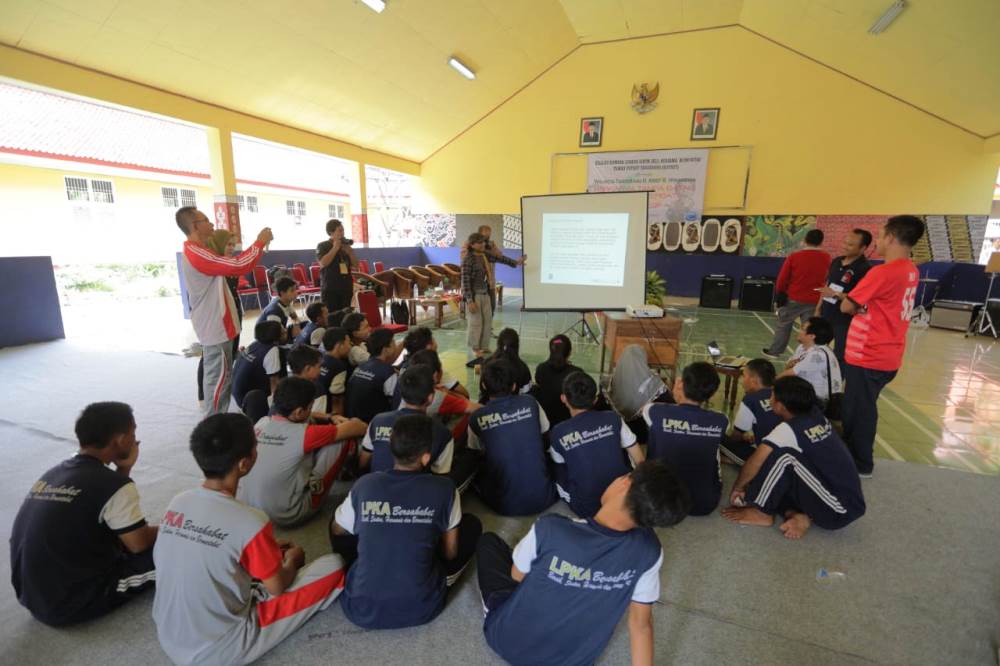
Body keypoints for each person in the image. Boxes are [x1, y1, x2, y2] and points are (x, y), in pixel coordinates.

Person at [153, 413, 346, 665]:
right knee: (335, 566)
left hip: (168, 634)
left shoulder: (178, 502)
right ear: (244, 464)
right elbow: (276, 586)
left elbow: (212, 548)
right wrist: (293, 561)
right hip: (218, 648)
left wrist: (262, 551)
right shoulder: (250, 520)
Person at [476, 460, 691, 666]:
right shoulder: (650, 552)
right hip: (572, 662)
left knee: (489, 543)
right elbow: (641, 625)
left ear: (626, 483)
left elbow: (516, 576)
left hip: (505, 641)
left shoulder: (550, 528)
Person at [10, 402, 157, 627]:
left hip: (30, 594)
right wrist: (171, 527)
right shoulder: (113, 485)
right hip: (67, 604)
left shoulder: (55, 472)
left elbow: (103, 505)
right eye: (133, 432)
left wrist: (124, 470)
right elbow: (139, 543)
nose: (135, 439)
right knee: (176, 547)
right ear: (119, 439)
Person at [330, 414, 482, 629]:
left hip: (360, 606)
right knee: (472, 525)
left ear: (391, 448)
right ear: (426, 457)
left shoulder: (365, 485)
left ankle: (362, 564)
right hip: (421, 607)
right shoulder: (445, 489)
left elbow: (338, 530)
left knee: (338, 520)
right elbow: (450, 553)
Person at [722, 376, 866, 539]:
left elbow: (756, 460)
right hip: (838, 496)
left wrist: (739, 488)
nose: (769, 399)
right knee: (773, 474)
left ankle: (761, 512)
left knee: (784, 459)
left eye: (772, 396)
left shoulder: (790, 429)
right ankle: (797, 515)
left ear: (781, 406)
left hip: (838, 510)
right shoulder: (815, 414)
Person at [839, 215, 925, 477]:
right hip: (889, 353)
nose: (877, 240)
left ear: (890, 237)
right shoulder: (911, 269)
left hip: (869, 354)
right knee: (859, 407)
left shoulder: (882, 272)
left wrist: (857, 303)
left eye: (879, 235)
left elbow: (846, 306)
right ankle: (854, 456)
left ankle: (861, 463)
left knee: (859, 412)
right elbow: (882, 304)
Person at [177, 206, 272, 414]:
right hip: (214, 325)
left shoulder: (201, 250)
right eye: (206, 220)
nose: (211, 224)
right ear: (195, 226)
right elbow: (238, 265)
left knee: (223, 377)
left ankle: (218, 421)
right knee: (217, 381)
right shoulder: (196, 252)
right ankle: (213, 427)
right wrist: (259, 242)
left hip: (220, 323)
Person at [237, 377, 365, 527]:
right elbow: (360, 427)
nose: (312, 411)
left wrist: (328, 416)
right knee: (343, 439)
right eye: (310, 407)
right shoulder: (303, 433)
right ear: (298, 411)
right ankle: (340, 480)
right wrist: (347, 421)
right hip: (288, 514)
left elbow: (305, 419)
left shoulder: (262, 423)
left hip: (250, 509)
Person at [360, 364, 480, 493]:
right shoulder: (442, 433)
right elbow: (440, 478)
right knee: (472, 459)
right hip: (418, 497)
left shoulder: (378, 420)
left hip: (376, 490)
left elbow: (363, 461)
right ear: (431, 398)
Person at [550, 371, 645, 517]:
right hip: (624, 499)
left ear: (564, 399)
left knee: (557, 469)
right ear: (595, 400)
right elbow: (639, 458)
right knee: (623, 451)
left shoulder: (558, 432)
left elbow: (562, 468)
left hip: (586, 508)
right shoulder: (613, 418)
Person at [469, 359, 556, 516]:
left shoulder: (476, 418)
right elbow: (546, 435)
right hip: (545, 498)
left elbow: (475, 453)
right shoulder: (530, 403)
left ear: (483, 386)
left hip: (506, 506)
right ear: (514, 386)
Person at [642, 362, 727, 516]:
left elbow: (668, 410)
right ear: (711, 393)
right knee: (712, 451)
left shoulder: (653, 411)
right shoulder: (721, 420)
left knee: (631, 446)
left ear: (681, 384)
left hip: (656, 502)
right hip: (704, 504)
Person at [763, 228, 831, 358]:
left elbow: (783, 278)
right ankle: (808, 354)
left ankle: (775, 351)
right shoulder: (827, 257)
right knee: (810, 329)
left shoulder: (795, 256)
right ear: (821, 242)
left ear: (805, 240)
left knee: (784, 324)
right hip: (814, 299)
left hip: (794, 297)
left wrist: (780, 293)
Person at [461, 232, 525, 363]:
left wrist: (516, 262)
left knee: (487, 321)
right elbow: (465, 281)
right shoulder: (468, 259)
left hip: (485, 292)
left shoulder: (484, 255)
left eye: (484, 242)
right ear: (473, 245)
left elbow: (500, 258)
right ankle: (475, 348)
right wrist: (469, 300)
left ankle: (484, 346)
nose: (483, 244)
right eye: (480, 242)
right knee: (476, 323)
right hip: (474, 295)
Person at [815, 228, 873, 372]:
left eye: (851, 245)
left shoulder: (865, 269)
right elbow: (826, 286)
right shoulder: (836, 261)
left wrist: (835, 294)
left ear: (863, 248)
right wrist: (818, 308)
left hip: (844, 320)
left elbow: (862, 299)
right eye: (845, 242)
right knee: (817, 348)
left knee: (840, 355)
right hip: (825, 314)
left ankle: (836, 383)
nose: (845, 246)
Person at [196, 229, 243, 402]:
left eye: (233, 245)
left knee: (231, 353)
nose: (231, 248)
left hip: (233, 309)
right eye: (228, 244)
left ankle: (224, 390)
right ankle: (203, 394)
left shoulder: (230, 263)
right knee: (210, 357)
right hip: (217, 316)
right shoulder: (210, 265)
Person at [408, 349, 482, 441]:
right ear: (435, 375)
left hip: (412, 439)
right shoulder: (438, 395)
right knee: (468, 415)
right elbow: (475, 407)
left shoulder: (405, 385)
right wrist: (450, 394)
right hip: (434, 443)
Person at [391, 326, 469, 409]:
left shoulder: (404, 366)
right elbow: (465, 395)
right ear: (429, 347)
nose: (436, 344)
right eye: (434, 340)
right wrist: (448, 393)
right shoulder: (432, 369)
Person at [721, 359, 781, 465]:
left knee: (717, 436)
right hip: (786, 452)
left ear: (754, 380)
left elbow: (736, 436)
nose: (742, 380)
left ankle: (736, 460)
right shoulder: (782, 393)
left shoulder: (751, 399)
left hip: (767, 459)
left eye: (744, 376)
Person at [778, 316, 842, 406]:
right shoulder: (802, 347)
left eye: (802, 329)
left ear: (812, 336)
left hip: (821, 401)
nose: (799, 331)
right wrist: (789, 365)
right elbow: (788, 369)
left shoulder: (818, 354)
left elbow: (787, 374)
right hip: (808, 394)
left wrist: (768, 385)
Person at [231, 320, 284, 421]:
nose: (285, 331)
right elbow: (274, 382)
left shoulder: (255, 344)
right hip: (250, 401)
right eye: (282, 331)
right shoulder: (272, 350)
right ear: (276, 336)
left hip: (237, 393)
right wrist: (276, 407)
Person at [345, 328, 400, 423]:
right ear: (385, 349)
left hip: (352, 418)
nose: (396, 345)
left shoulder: (361, 366)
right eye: (393, 343)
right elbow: (396, 403)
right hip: (373, 422)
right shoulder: (387, 372)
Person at [532, 334, 584, 427]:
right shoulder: (577, 373)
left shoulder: (541, 369)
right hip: (567, 423)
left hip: (544, 421)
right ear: (569, 352)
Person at [478, 328, 532, 402]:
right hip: (513, 409)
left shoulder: (486, 363)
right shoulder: (523, 368)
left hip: (487, 405)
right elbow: (526, 394)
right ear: (517, 345)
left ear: (498, 344)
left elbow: (482, 387)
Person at [316, 218, 358, 311]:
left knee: (346, 315)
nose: (342, 233)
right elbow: (323, 263)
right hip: (331, 288)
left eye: (343, 230)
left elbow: (356, 265)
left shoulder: (345, 246)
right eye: (340, 230)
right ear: (331, 232)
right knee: (332, 316)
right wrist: (335, 248)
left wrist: (350, 253)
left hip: (346, 287)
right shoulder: (323, 246)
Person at [318, 327, 353, 414]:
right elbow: (337, 397)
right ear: (339, 346)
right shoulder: (339, 366)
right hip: (327, 410)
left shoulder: (321, 358)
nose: (350, 347)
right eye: (348, 343)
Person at [258, 276, 301, 340]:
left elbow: (295, 317)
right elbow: (274, 338)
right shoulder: (274, 312)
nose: (296, 293)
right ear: (282, 293)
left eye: (295, 289)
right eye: (292, 290)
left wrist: (296, 325)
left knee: (305, 325)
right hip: (268, 342)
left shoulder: (285, 302)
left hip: (279, 334)